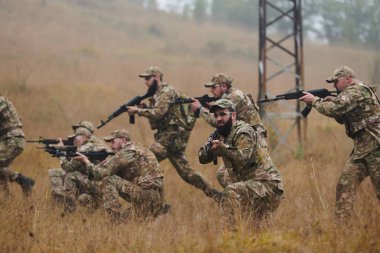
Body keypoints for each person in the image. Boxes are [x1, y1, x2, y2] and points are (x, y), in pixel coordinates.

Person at [127, 66, 221, 199]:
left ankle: (157, 202)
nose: (145, 82)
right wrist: (146, 109)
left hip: (171, 138)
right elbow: (155, 123)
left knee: (146, 162)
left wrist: (138, 111)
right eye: (144, 79)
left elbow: (158, 113)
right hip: (172, 139)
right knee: (188, 174)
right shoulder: (156, 96)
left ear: (157, 77)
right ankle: (218, 196)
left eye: (148, 78)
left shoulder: (166, 91)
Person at [300, 66, 380, 221]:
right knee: (345, 185)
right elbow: (341, 117)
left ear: (348, 79)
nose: (334, 86)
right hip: (362, 150)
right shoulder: (350, 94)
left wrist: (315, 101)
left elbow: (334, 109)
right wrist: (327, 102)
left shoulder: (356, 91)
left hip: (376, 147)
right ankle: (340, 227)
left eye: (336, 81)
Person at [198, 99, 283, 228]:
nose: (218, 119)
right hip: (252, 184)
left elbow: (242, 158)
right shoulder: (219, 133)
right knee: (256, 228)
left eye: (222, 114)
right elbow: (202, 158)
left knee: (232, 191)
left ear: (233, 115)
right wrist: (210, 149)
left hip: (268, 185)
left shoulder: (243, 131)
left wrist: (223, 149)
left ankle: (229, 236)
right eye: (216, 115)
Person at [191, 73, 266, 188]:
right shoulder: (234, 94)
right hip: (246, 138)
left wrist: (201, 110)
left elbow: (218, 121)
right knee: (228, 174)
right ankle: (243, 198)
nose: (211, 91)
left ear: (224, 86)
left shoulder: (233, 97)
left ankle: (242, 197)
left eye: (214, 87)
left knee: (229, 174)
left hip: (251, 140)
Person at [74, 129, 167, 222]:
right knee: (124, 223)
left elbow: (102, 173)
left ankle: (113, 221)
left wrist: (85, 161)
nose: (111, 145)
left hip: (147, 196)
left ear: (123, 140)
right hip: (153, 199)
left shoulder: (128, 151)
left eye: (113, 141)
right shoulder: (138, 148)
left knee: (109, 180)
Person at [48, 121, 110, 208]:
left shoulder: (86, 148)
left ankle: (69, 207)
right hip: (95, 181)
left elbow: (68, 167)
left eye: (76, 138)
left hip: (99, 184)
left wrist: (61, 154)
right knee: (56, 172)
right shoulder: (89, 145)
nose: (74, 141)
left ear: (84, 137)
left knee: (72, 175)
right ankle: (59, 198)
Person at [0, 95, 35, 197]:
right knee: (1, 169)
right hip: (8, 140)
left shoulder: (1, 100)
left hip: (12, 140)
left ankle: (23, 180)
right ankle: (5, 199)